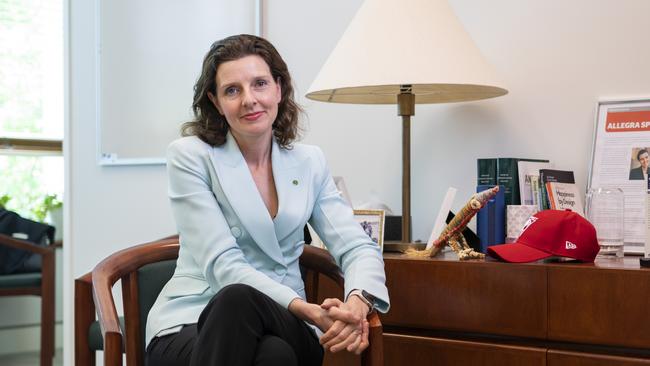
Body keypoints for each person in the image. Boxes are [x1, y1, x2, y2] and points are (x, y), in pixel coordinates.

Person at [145, 34, 389, 366]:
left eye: (259, 84)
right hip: (191, 319)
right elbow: (224, 267)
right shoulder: (190, 157)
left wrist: (357, 302)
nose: (249, 99)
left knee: (252, 317)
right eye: (232, 90)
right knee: (269, 349)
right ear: (216, 102)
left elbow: (358, 247)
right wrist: (307, 310)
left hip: (284, 321)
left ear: (278, 88)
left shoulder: (309, 161)